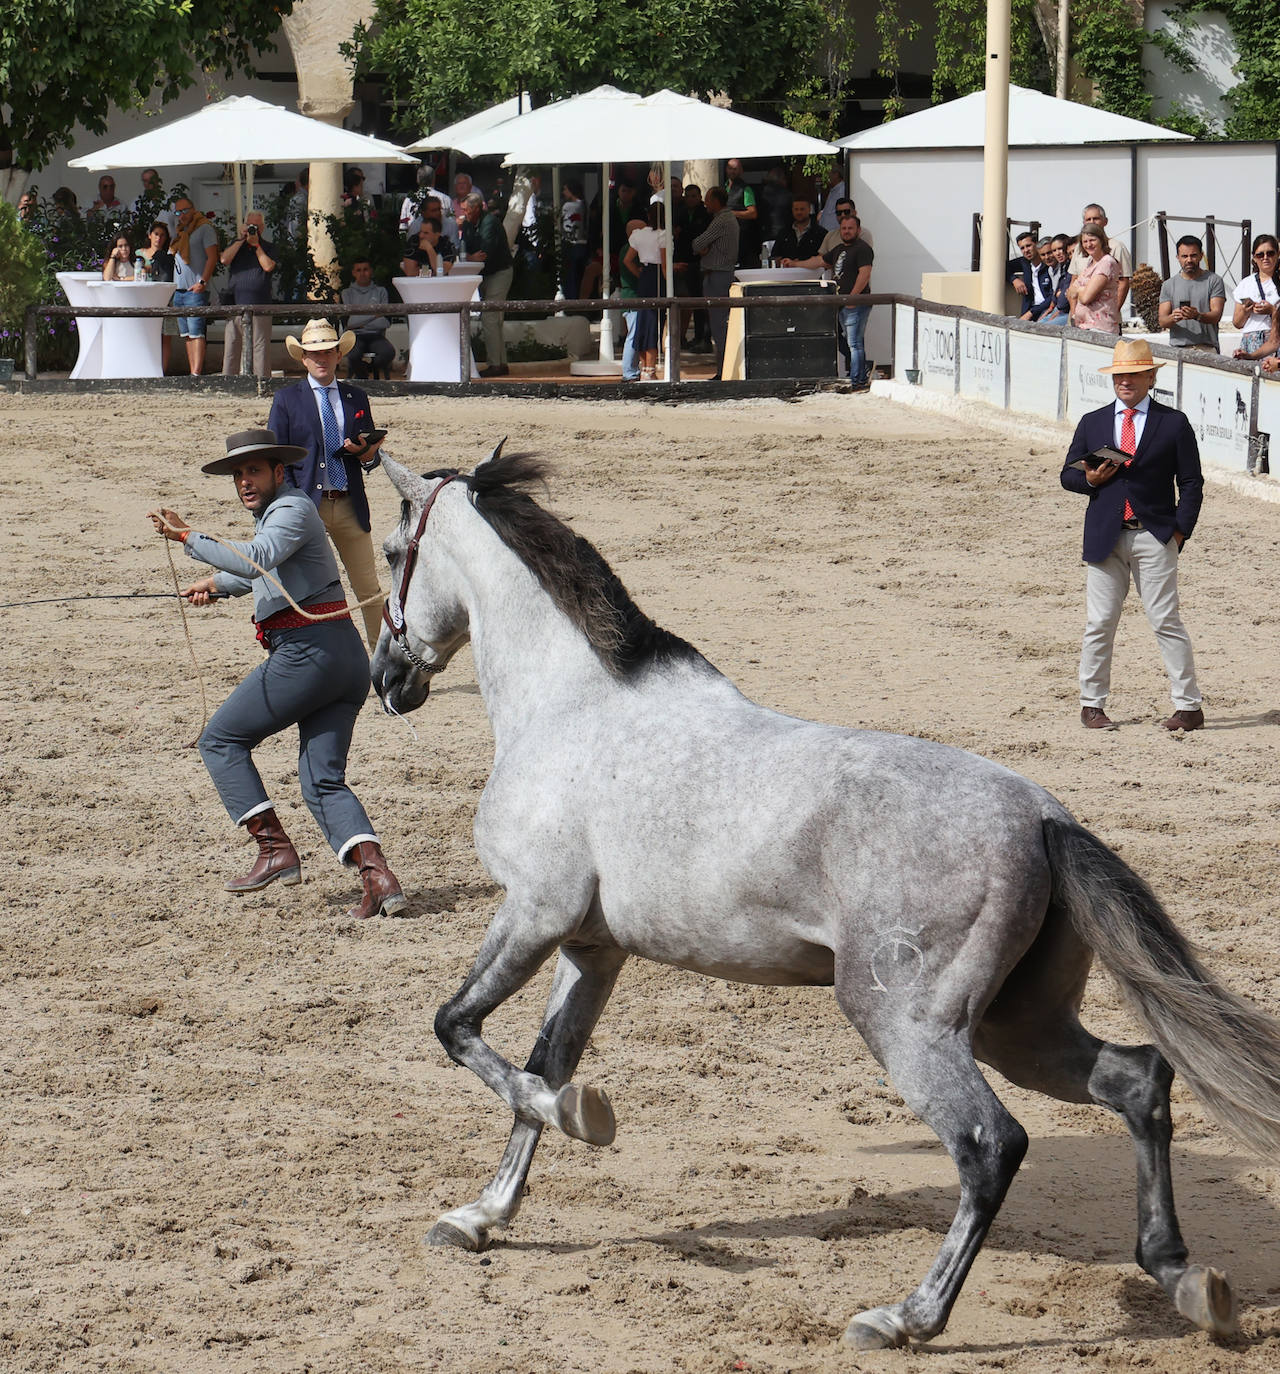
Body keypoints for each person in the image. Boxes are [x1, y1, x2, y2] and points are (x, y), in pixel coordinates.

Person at [147, 429, 406, 918]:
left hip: (309, 656)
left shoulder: (292, 508)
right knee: (322, 782)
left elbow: (259, 558)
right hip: (340, 660)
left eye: (254, 470)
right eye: (238, 474)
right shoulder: (281, 515)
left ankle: (274, 852)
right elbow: (261, 571)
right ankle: (378, 879)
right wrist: (216, 584)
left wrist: (188, 537)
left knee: (219, 740)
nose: (245, 481)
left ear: (279, 473)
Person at [1060, 338, 1204, 732]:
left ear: (1150, 377)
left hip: (1155, 535)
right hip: (1106, 535)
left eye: (1135, 374)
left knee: (1165, 620)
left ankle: (1189, 706)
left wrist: (1179, 533)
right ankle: (1091, 704)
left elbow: (1191, 483)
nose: (1126, 381)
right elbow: (1067, 476)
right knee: (1100, 622)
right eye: (1121, 375)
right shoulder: (1092, 421)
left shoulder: (1173, 422)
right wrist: (1089, 479)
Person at [267, 319, 386, 647]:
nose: (321, 358)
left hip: (349, 503)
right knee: (304, 588)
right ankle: (303, 652)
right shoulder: (286, 400)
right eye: (313, 353)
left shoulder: (356, 397)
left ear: (338, 355)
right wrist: (292, 502)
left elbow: (370, 458)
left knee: (369, 590)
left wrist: (365, 453)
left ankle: (381, 661)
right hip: (307, 508)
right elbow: (277, 458)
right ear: (303, 358)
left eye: (327, 351)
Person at [460, 190, 514, 377]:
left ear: (476, 209)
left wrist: (469, 256)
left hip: (499, 272)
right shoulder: (468, 224)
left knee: (490, 318)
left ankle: (495, 365)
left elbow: (485, 252)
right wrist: (469, 256)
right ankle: (501, 363)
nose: (464, 213)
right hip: (485, 274)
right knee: (495, 320)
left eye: (466, 210)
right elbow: (463, 249)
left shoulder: (489, 222)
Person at [219, 211, 277, 378]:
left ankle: (262, 383)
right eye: (250, 225)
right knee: (231, 347)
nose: (253, 229)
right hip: (235, 305)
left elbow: (268, 266)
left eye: (256, 226)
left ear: (262, 228)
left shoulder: (268, 247)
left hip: (260, 306)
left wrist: (256, 245)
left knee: (260, 349)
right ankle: (228, 384)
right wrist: (241, 239)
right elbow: (224, 260)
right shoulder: (236, 245)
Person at [824, 210, 874, 388]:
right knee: (851, 343)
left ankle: (857, 380)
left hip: (856, 303)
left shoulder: (863, 249)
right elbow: (820, 261)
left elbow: (865, 274)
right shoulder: (838, 249)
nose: (846, 231)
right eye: (844, 228)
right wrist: (795, 263)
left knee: (854, 343)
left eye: (850, 228)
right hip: (841, 304)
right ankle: (860, 375)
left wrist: (853, 297)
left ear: (858, 230)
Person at [171, 196, 220, 375]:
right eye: (178, 212)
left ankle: (197, 374)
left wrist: (202, 282)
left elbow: (212, 257)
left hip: (195, 290)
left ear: (193, 209)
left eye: (184, 211)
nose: (182, 215)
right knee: (187, 335)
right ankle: (193, 373)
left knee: (197, 332)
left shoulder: (204, 228)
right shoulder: (182, 232)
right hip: (179, 290)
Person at [692, 186, 739, 373]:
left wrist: (705, 248)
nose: (705, 203)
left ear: (716, 201)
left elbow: (697, 243)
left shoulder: (721, 220)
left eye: (708, 199)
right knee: (719, 323)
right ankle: (724, 369)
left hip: (717, 275)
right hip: (720, 273)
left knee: (719, 325)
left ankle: (723, 371)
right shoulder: (728, 218)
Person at [1157, 236, 1225, 353]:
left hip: (1207, 348)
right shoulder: (1168, 285)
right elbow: (1162, 321)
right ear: (1177, 258)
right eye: (1184, 256)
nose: (1189, 260)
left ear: (1201, 256)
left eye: (1193, 255)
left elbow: (1216, 315)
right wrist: (1174, 317)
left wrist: (1197, 316)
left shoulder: (1214, 280)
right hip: (1178, 349)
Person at [623, 203, 665, 381]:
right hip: (657, 277)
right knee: (655, 324)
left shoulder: (639, 235)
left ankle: (645, 368)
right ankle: (650, 369)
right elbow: (664, 265)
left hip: (646, 276)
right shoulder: (663, 235)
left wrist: (639, 273)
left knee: (644, 324)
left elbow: (627, 260)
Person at [1069, 203, 1132, 310]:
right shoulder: (1080, 248)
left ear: (1105, 221)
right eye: (1088, 219)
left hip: (1104, 317)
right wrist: (1074, 312)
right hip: (1079, 317)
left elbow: (1123, 283)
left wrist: (1114, 311)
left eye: (1096, 218)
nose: (1092, 222)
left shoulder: (1117, 247)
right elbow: (1074, 279)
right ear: (1084, 223)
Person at [342, 258, 397, 379]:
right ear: (353, 273)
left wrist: (359, 319)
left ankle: (368, 370)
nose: (362, 273)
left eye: (365, 269)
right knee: (352, 355)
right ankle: (363, 377)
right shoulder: (346, 293)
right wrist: (374, 315)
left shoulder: (381, 291)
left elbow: (385, 322)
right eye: (358, 270)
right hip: (354, 335)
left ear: (371, 271)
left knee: (388, 353)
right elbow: (349, 323)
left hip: (376, 335)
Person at [1231, 234, 1280, 360]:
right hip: (1250, 338)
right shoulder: (1245, 284)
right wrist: (1246, 311)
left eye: (1270, 253)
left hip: (1274, 336)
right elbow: (1237, 323)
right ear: (1254, 257)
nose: (1265, 258)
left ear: (1277, 254)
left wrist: (1271, 311)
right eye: (1260, 255)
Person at [674, 183, 711, 351]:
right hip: (682, 260)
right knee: (688, 300)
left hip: (699, 261)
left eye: (694, 196)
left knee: (701, 301)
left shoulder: (706, 214)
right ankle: (690, 337)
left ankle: (703, 337)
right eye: (688, 196)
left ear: (700, 197)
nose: (690, 199)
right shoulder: (679, 212)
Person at [1068, 224, 1121, 335]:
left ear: (1101, 240)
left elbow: (1086, 298)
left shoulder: (1106, 263)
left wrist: (1079, 290)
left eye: (1092, 240)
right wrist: (1082, 289)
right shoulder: (1090, 262)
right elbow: (1070, 292)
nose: (1089, 244)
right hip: (1084, 326)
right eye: (1085, 241)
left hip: (1101, 329)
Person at [138, 220, 177, 370]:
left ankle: (162, 371)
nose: (158, 238)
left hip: (165, 299)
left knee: (165, 338)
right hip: (144, 299)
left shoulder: (169, 255)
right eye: (156, 234)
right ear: (149, 235)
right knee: (146, 337)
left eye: (162, 235)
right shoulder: (139, 254)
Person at [725, 158, 760, 269]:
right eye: (730, 168)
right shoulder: (722, 187)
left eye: (735, 169)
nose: (732, 171)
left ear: (741, 171)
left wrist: (732, 213)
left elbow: (753, 213)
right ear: (726, 169)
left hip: (741, 236)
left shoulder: (746, 189)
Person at [773, 197, 825, 266]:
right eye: (796, 209)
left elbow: (824, 257)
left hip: (812, 273)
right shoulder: (783, 233)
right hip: (787, 272)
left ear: (809, 209)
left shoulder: (820, 233)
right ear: (792, 210)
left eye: (802, 209)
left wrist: (799, 262)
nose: (799, 212)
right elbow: (775, 255)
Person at [561, 181, 588, 299]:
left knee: (570, 276)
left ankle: (570, 299)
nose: (563, 192)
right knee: (579, 276)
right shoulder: (584, 205)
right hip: (583, 243)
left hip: (571, 243)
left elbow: (565, 225)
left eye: (565, 189)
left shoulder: (569, 206)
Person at [817, 162, 847, 234]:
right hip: (826, 233)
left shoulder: (842, 190)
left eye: (827, 174)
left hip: (834, 233)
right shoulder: (834, 189)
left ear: (836, 174)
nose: (825, 177)